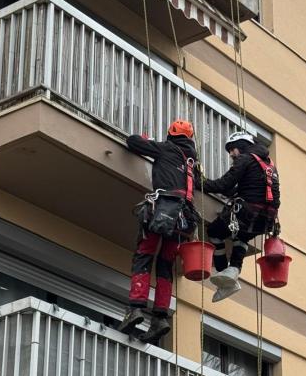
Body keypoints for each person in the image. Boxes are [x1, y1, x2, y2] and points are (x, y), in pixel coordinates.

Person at [119, 119, 201, 344]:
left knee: (144, 255)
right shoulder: (192, 163)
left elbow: (133, 142)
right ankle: (160, 317)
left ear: (171, 134)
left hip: (162, 210)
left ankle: (135, 308)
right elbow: (201, 184)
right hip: (183, 220)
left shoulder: (166, 148)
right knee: (165, 265)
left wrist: (146, 140)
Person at [203, 131, 280, 302]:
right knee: (242, 237)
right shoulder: (269, 164)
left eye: (232, 149)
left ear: (242, 146)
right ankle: (234, 270)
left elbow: (224, 184)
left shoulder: (245, 158)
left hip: (246, 212)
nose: (231, 154)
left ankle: (225, 275)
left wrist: (201, 183)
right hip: (266, 220)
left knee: (215, 231)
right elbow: (246, 189)